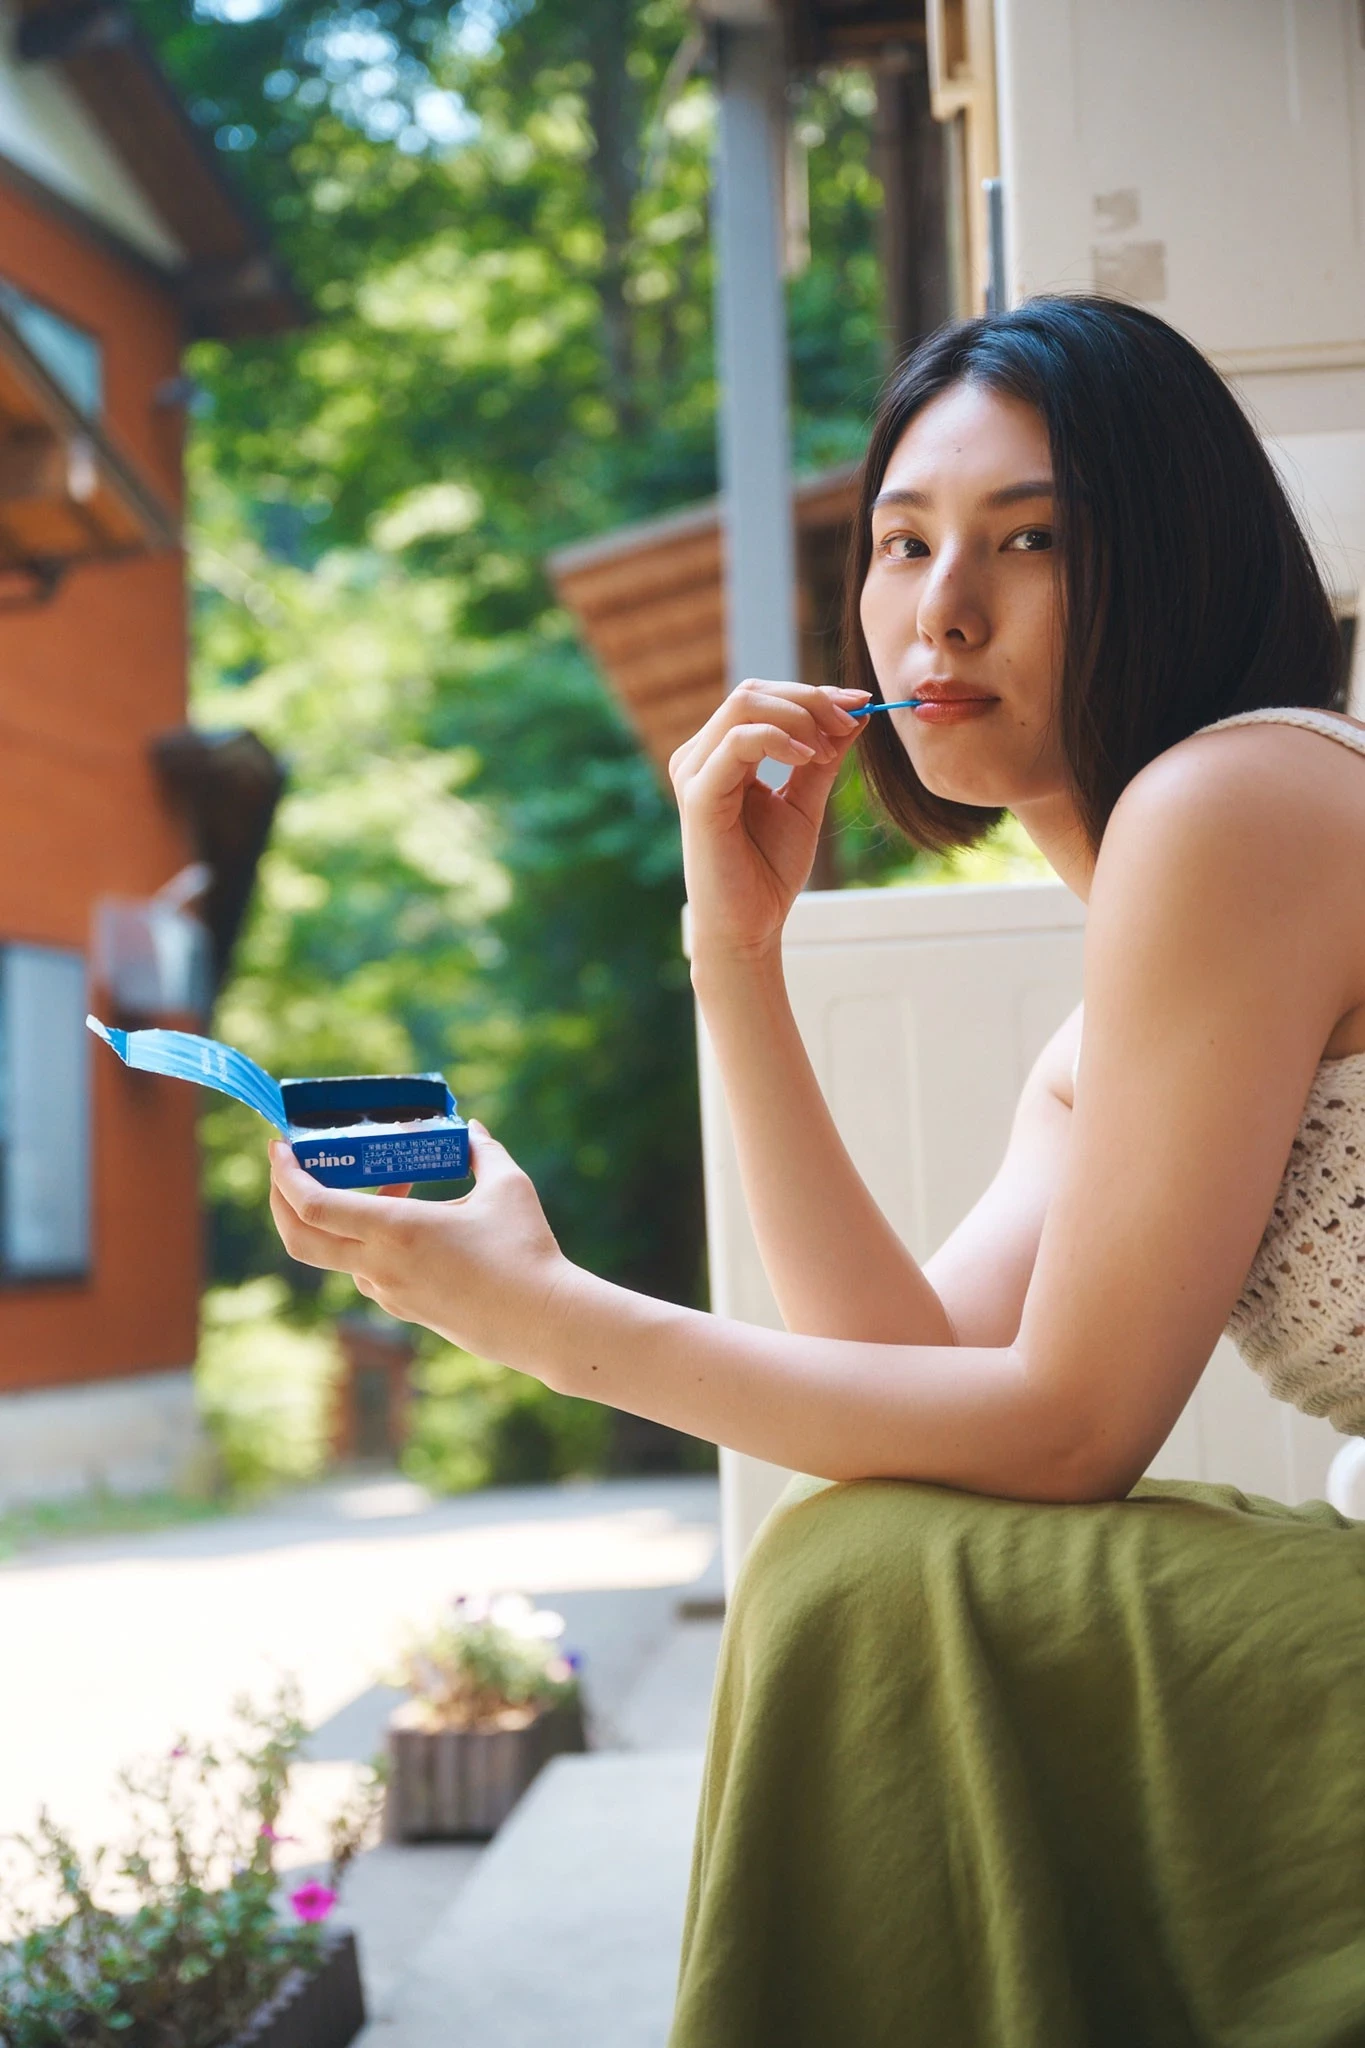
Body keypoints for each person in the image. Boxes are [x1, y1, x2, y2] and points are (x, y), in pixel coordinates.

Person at [268, 296, 1365, 2043]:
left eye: (1032, 540)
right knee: (864, 1549)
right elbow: (915, 1395)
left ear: (1171, 559)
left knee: (846, 1578)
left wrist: (544, 1318)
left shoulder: (1246, 800)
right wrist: (735, 953)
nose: (944, 605)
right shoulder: (1108, 1036)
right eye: (904, 543)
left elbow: (1071, 1433)